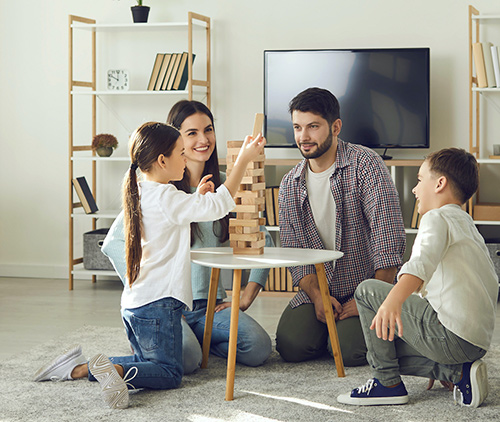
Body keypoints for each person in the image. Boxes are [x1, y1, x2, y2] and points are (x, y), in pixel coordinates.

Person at [33, 121, 266, 409]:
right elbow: (220, 205)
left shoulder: (141, 192)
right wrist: (243, 159)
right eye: (181, 153)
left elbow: (171, 219)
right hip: (160, 306)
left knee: (149, 362)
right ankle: (100, 370)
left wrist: (195, 199)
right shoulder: (169, 197)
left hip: (134, 305)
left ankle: (84, 368)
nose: (186, 159)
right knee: (170, 372)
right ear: (162, 160)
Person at [101, 100, 273, 372]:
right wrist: (149, 293)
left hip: (211, 308)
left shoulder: (222, 183)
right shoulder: (161, 193)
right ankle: (168, 343)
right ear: (170, 145)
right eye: (191, 133)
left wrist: (247, 295)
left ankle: (197, 342)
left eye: (208, 129)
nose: (203, 139)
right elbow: (113, 244)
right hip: (169, 305)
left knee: (258, 347)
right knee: (187, 361)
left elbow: (261, 234)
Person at [337, 148, 499, 408]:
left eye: (420, 179)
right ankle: (457, 373)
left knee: (367, 290)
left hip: (451, 337)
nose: (414, 189)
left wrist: (392, 300)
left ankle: (386, 383)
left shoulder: (436, 217)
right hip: (474, 343)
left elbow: (419, 265)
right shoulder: (466, 223)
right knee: (381, 347)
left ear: (440, 183)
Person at [276, 87, 406, 366]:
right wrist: (318, 296)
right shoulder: (289, 183)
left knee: (351, 352)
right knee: (291, 346)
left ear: (335, 127)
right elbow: (295, 255)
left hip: (367, 286)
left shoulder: (366, 164)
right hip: (320, 289)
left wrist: (370, 300)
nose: (303, 137)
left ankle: (373, 327)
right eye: (298, 127)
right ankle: (329, 330)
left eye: (313, 127)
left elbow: (389, 240)